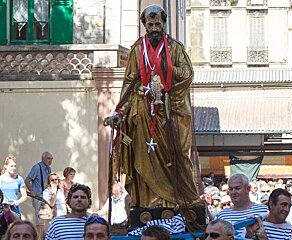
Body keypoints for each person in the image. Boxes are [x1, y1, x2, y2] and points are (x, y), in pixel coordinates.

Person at [109, 4, 199, 209]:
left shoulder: (175, 47)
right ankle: (148, 202)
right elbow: (129, 81)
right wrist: (121, 110)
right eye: (150, 24)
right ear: (145, 26)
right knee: (145, 156)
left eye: (158, 23)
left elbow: (188, 75)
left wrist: (168, 68)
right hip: (143, 111)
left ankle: (180, 200)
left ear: (164, 23)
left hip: (169, 112)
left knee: (175, 155)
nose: (155, 27)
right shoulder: (137, 49)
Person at [217, 174, 269, 239]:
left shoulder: (263, 211)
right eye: (231, 189)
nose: (233, 192)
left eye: (237, 188)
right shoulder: (222, 215)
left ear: (248, 189)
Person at [25, 151, 53, 235]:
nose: (50, 161)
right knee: (39, 217)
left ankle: (45, 236)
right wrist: (32, 191)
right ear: (43, 158)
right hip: (38, 196)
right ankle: (39, 236)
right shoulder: (37, 167)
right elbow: (27, 180)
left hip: (46, 196)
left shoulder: (49, 169)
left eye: (51, 159)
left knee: (47, 217)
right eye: (48, 158)